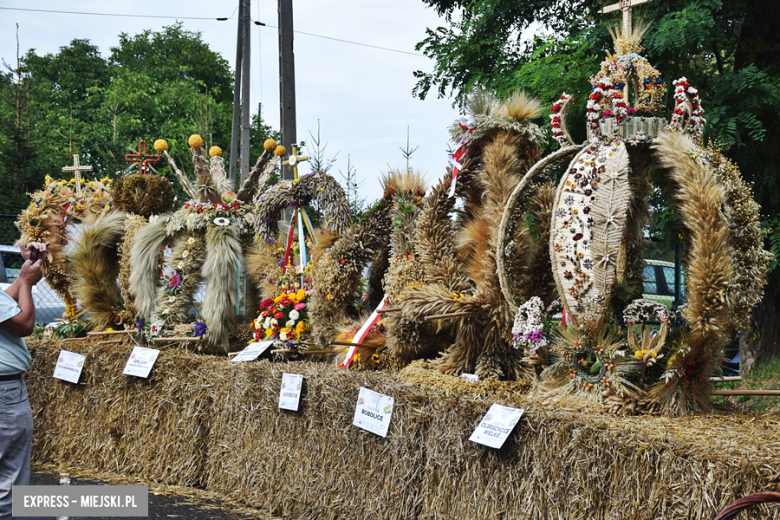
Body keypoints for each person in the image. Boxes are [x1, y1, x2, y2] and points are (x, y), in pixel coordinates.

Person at [0, 240, 47, 519]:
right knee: (10, 478)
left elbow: (6, 301)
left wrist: (24, 273)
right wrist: (27, 284)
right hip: (4, 394)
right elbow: (24, 325)